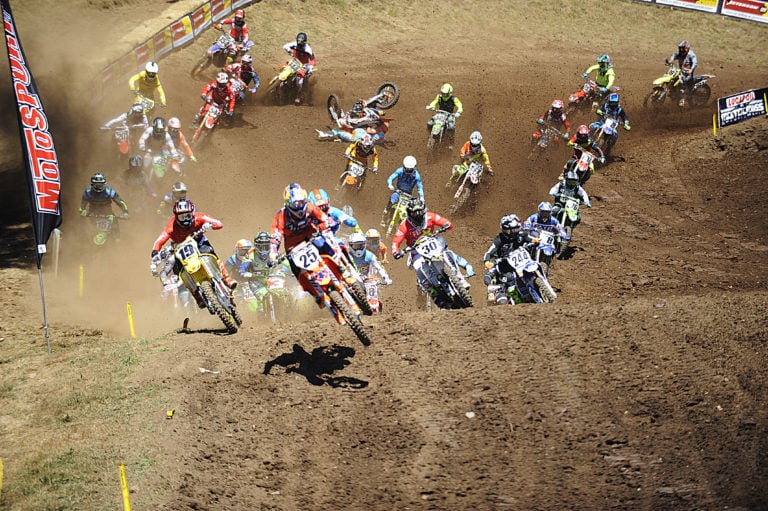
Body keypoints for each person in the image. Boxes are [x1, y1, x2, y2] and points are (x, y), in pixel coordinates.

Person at [269, 183, 336, 305]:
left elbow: (323, 217)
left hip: (311, 235)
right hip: (293, 245)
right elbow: (275, 237)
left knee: (327, 247)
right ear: (288, 204)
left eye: (301, 202)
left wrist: (328, 223)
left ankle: (342, 268)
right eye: (295, 204)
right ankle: (315, 294)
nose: (299, 206)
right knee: (297, 270)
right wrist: (273, 254)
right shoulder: (281, 216)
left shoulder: (310, 207)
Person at [151, 199, 238, 291]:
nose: (185, 220)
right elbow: (159, 241)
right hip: (181, 248)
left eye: (188, 216)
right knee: (180, 271)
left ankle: (227, 279)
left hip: (199, 241)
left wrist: (210, 225)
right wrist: (155, 253)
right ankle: (197, 295)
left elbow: (219, 224)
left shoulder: (200, 217)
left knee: (212, 255)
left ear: (192, 213)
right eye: (181, 217)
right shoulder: (171, 226)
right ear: (176, 217)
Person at [483, 214, 539, 305]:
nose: (512, 232)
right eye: (509, 230)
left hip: (522, 261)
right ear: (504, 230)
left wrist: (535, 241)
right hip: (506, 265)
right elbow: (489, 253)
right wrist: (487, 262)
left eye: (514, 229)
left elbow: (531, 239)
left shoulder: (522, 234)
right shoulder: (499, 239)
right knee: (506, 283)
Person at [238, 231, 291, 312]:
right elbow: (243, 267)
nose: (264, 249)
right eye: (261, 247)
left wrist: (287, 270)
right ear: (256, 246)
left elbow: (287, 263)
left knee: (282, 293)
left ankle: (288, 308)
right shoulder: (251, 254)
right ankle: (262, 311)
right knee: (263, 294)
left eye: (266, 246)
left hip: (271, 277)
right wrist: (245, 273)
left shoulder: (274, 253)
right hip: (256, 279)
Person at [381, 155, 425, 227]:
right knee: (392, 202)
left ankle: (403, 225)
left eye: (410, 170)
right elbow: (391, 177)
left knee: (408, 211)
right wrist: (390, 184)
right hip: (398, 192)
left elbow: (420, 187)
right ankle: (384, 217)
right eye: (407, 169)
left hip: (407, 196)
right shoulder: (400, 170)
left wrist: (422, 197)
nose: (408, 171)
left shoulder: (416, 176)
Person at [282, 32, 317, 104]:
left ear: (304, 42)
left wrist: (311, 66)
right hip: (295, 62)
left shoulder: (308, 49)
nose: (299, 43)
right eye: (298, 41)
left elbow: (313, 60)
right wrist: (289, 51)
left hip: (303, 65)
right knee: (284, 67)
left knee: (299, 80)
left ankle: (298, 96)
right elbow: (285, 46)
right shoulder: (294, 44)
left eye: (301, 42)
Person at [666, 40, 698, 106]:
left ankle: (683, 99)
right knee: (672, 79)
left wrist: (691, 70)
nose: (681, 50)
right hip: (680, 71)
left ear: (686, 48)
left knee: (682, 82)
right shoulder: (679, 53)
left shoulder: (691, 55)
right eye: (680, 48)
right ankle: (673, 92)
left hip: (688, 73)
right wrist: (671, 60)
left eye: (682, 48)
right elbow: (674, 55)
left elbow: (695, 63)